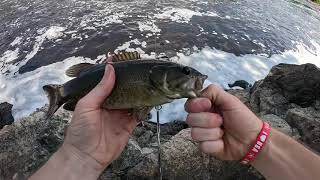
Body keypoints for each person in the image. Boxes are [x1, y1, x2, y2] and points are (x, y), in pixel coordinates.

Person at [30, 62, 320, 180]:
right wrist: (78, 156)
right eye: (184, 71)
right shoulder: (152, 83)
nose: (194, 75)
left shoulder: (159, 90)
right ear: (159, 74)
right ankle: (60, 94)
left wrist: (78, 159)